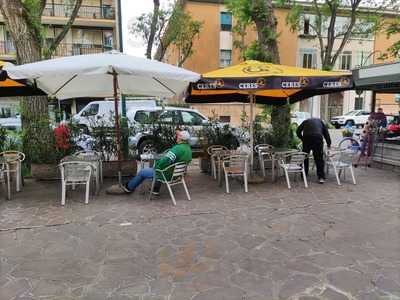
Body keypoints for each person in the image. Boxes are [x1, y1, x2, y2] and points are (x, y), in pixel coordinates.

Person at [108, 130, 192, 195]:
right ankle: (155, 189)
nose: (177, 136)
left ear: (181, 138)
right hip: (177, 175)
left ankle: (128, 188)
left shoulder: (177, 149)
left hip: (166, 174)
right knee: (160, 166)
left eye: (178, 135)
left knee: (143, 172)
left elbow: (165, 161)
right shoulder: (188, 148)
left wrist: (157, 165)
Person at [296, 117, 331, 184]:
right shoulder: (321, 122)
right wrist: (329, 143)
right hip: (317, 138)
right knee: (319, 158)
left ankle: (304, 175)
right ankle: (321, 177)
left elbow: (298, 131)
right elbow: (326, 133)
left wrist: (302, 139)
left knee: (305, 157)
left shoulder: (306, 121)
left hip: (307, 138)